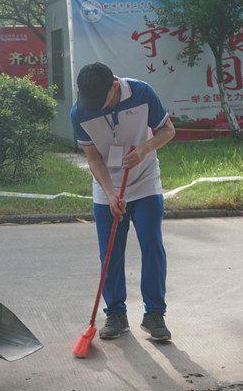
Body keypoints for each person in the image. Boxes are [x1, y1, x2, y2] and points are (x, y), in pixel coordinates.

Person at [70, 62, 176, 341]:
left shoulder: (142, 93)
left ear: (114, 88)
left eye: (99, 101)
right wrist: (110, 194)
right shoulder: (80, 112)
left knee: (151, 243)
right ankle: (115, 314)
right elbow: (93, 159)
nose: (94, 107)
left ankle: (154, 314)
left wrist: (144, 148)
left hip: (144, 182)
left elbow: (168, 130)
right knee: (110, 253)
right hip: (108, 186)